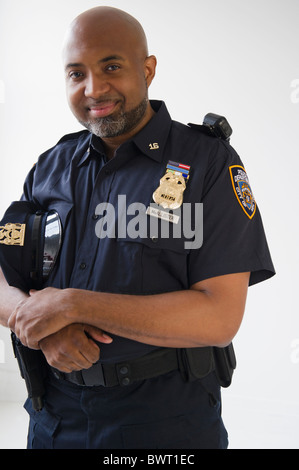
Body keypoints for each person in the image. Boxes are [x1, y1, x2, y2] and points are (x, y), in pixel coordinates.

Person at [0, 6, 275, 449]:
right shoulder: (50, 167)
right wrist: (32, 321)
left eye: (112, 66)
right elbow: (3, 269)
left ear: (147, 70)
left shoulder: (207, 163)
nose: (93, 89)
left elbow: (220, 316)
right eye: (76, 73)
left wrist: (73, 304)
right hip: (53, 419)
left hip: (165, 423)